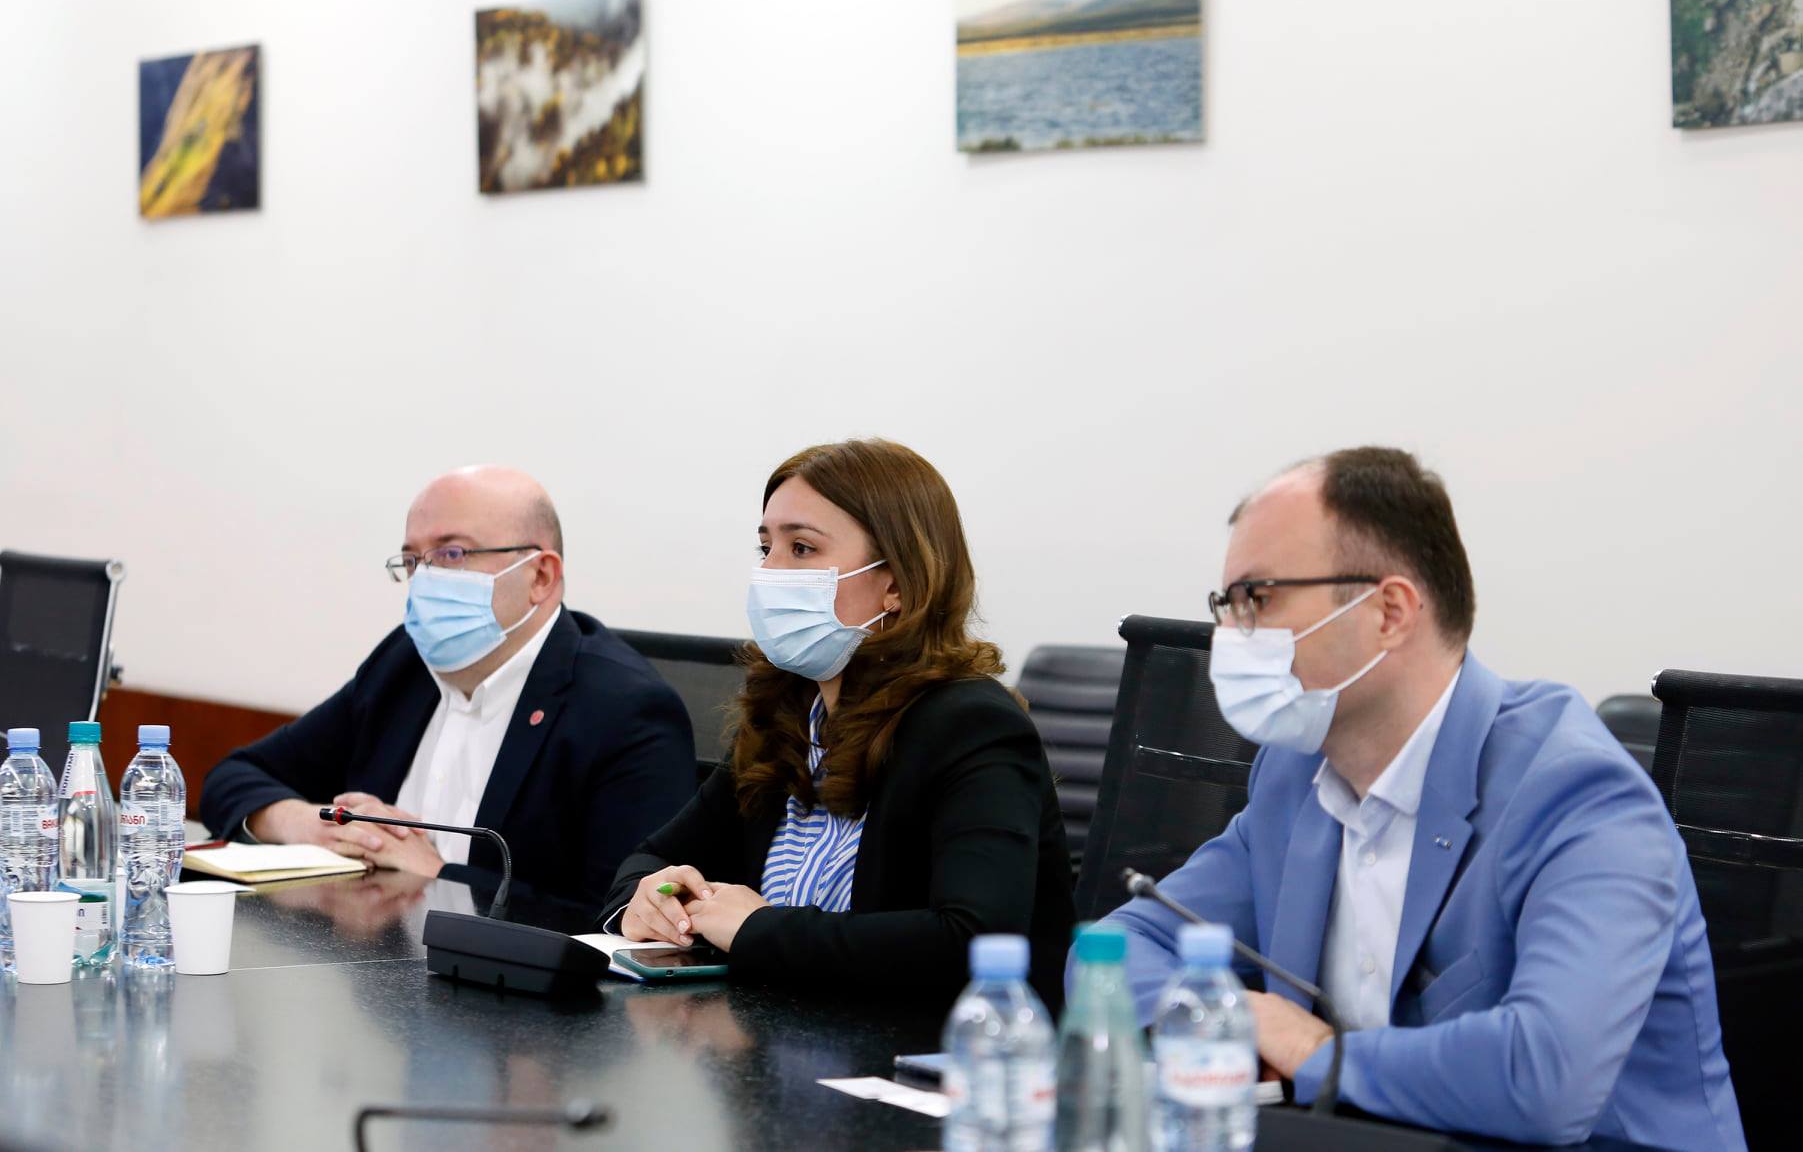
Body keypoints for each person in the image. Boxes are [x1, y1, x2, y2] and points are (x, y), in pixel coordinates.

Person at [1088, 447, 1743, 1150]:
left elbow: (1543, 1078)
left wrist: (1316, 1053)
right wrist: (1226, 1021)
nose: (1230, 635)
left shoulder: (1576, 793)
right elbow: (1117, 949)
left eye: (1258, 598)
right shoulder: (1292, 775)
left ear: (1389, 611)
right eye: (1226, 606)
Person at [601, 439, 1075, 1008]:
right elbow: (650, 859)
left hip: (927, 1048)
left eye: (801, 548)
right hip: (780, 1032)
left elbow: (971, 938)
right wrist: (646, 900)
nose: (770, 572)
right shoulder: (786, 713)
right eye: (765, 547)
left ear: (897, 583)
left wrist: (761, 931)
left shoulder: (973, 726)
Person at [199, 465, 694, 910]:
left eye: (452, 553)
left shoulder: (626, 711)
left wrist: (438, 875)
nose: (425, 580)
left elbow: (620, 918)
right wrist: (306, 823)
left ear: (541, 576)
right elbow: (234, 776)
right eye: (413, 561)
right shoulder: (405, 664)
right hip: (375, 966)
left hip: (511, 984)